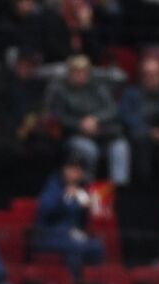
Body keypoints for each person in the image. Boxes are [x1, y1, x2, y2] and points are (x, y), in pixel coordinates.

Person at [44, 54, 129, 186]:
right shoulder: (60, 91)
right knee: (89, 149)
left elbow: (112, 109)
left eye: (83, 72)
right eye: (76, 72)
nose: (80, 76)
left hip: (103, 132)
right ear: (69, 73)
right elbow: (59, 117)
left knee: (121, 147)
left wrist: (95, 119)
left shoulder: (98, 87)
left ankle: (118, 191)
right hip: (75, 135)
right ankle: (89, 188)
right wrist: (80, 124)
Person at [33, 157, 105, 277]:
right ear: (64, 170)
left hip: (73, 234)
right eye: (72, 169)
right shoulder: (53, 186)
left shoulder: (82, 191)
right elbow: (45, 210)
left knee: (97, 247)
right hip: (50, 234)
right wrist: (64, 198)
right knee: (75, 249)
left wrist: (87, 208)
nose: (75, 173)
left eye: (79, 170)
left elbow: (82, 222)